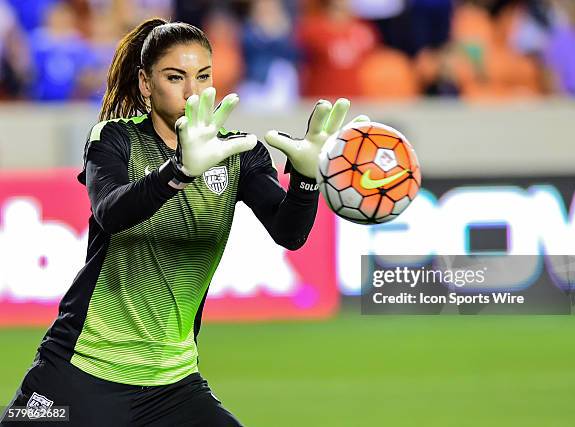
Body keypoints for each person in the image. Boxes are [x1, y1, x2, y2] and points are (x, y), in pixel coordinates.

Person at [0, 18, 366, 426]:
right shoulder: (114, 139)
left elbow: (290, 233)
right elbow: (112, 212)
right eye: (175, 77)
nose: (193, 91)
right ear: (145, 83)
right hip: (80, 371)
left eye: (203, 76)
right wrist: (178, 171)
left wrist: (305, 179)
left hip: (172, 385)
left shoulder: (238, 152)